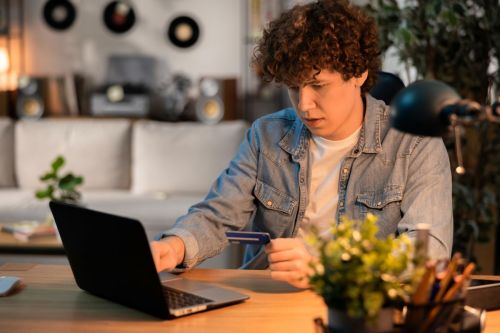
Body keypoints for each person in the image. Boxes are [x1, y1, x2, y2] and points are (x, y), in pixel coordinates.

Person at [150, 0, 453, 289]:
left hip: (361, 302)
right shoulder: (266, 135)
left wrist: (327, 267)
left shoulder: (415, 143)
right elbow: (218, 214)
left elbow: (428, 255)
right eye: (294, 88)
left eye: (318, 85)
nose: (304, 105)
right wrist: (173, 247)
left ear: (358, 73)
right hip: (266, 298)